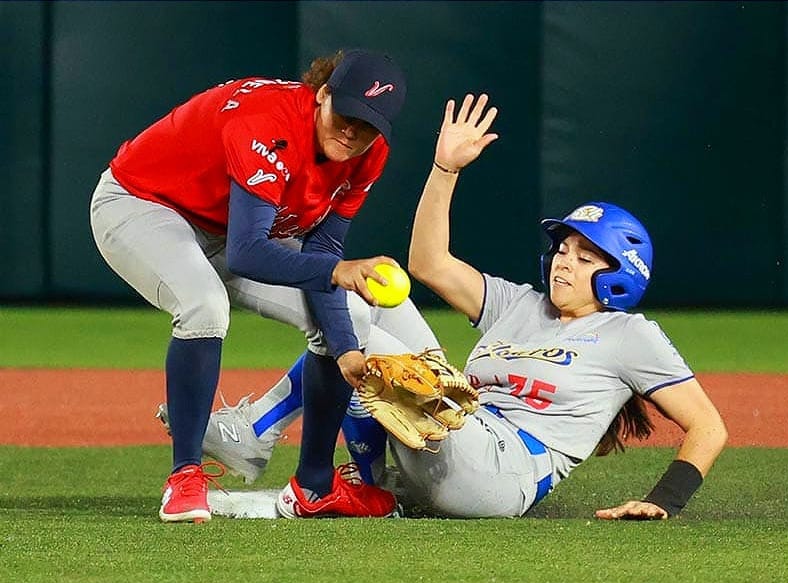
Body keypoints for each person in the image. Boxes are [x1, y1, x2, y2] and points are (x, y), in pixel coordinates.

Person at [193, 93, 728, 520]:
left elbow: (708, 426)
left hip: (503, 473)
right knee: (368, 296)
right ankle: (368, 480)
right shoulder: (522, 303)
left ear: (621, 278)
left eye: (586, 257)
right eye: (563, 249)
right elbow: (428, 264)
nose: (564, 262)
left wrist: (664, 499)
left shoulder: (630, 335)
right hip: (455, 436)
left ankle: (260, 432)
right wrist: (445, 169)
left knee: (363, 338)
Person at [90, 49, 409, 523]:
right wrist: (338, 273)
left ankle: (314, 488)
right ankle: (184, 477)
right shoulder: (269, 123)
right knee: (204, 305)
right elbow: (247, 252)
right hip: (142, 204)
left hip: (228, 227)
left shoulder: (367, 155)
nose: (351, 131)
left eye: (366, 126)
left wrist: (345, 350)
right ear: (323, 95)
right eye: (346, 115)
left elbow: (322, 250)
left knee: (355, 321)